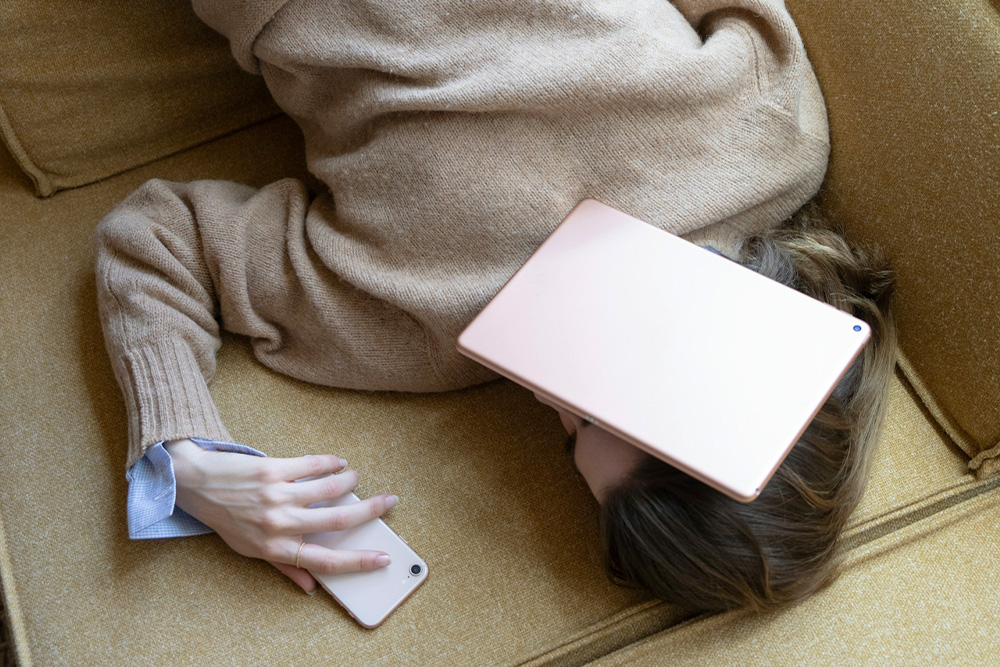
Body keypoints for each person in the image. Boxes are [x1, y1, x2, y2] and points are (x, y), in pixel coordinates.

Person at [94, 0, 895, 610]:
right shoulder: (774, 136)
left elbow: (156, 238)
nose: (545, 392)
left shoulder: (418, 321)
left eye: (569, 429)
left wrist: (186, 460)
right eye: (601, 397)